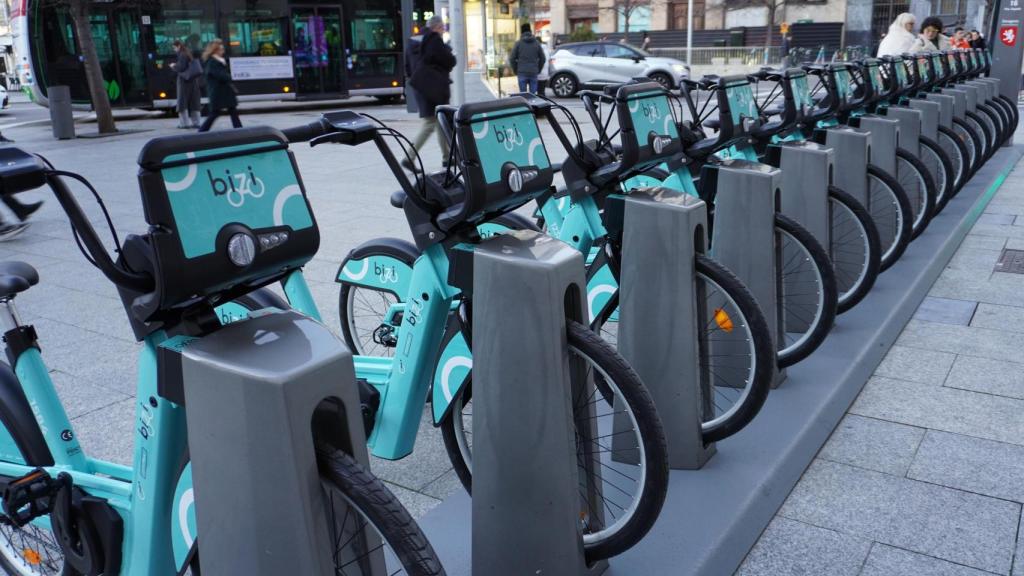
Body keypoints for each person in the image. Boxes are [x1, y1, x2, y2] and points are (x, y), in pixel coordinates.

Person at [405, 15, 455, 170]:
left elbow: (407, 67)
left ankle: (447, 157)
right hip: (434, 87)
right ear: (437, 27)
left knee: (439, 120)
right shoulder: (433, 39)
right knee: (430, 123)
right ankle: (409, 157)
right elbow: (449, 60)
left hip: (420, 87)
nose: (442, 31)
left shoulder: (413, 41)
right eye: (442, 28)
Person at [198, 39, 243, 132]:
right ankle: (202, 131)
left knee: (232, 111)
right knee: (215, 113)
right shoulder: (212, 62)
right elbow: (220, 75)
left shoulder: (219, 61)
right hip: (218, 92)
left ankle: (239, 130)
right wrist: (228, 76)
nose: (223, 51)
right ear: (215, 50)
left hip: (224, 91)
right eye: (221, 49)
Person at [171, 40, 202, 128]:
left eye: (174, 48)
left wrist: (173, 66)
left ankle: (184, 124)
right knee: (194, 102)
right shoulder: (188, 53)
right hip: (193, 81)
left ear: (179, 46)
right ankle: (196, 122)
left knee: (182, 102)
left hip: (184, 81)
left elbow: (181, 67)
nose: (174, 50)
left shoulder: (182, 55)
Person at [509, 23, 546, 94]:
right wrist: (538, 69)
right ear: (530, 31)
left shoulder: (518, 43)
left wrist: (515, 70)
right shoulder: (536, 43)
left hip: (521, 72)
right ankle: (532, 105)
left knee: (523, 96)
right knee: (533, 96)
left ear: (521, 32)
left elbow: (512, 58)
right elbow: (543, 58)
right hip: (533, 72)